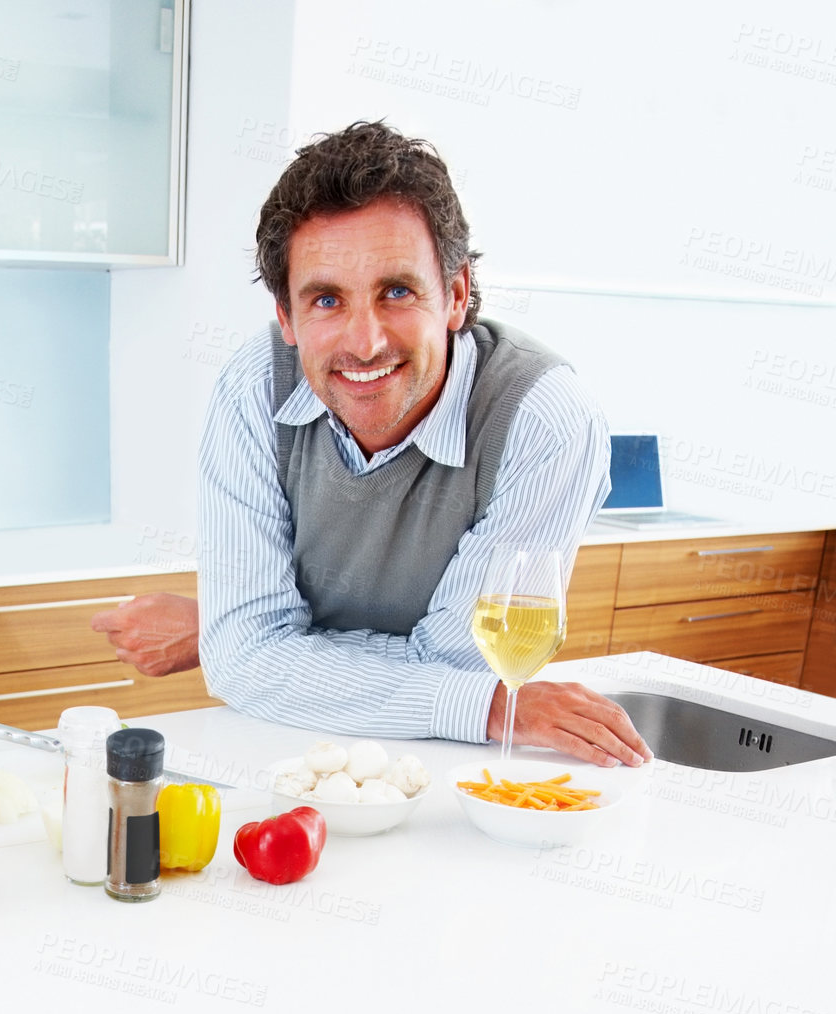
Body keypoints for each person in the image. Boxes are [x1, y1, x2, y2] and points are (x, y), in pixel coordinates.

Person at [96, 120, 647, 768]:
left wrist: (235, 639)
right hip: (289, 755)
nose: (364, 341)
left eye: (396, 291)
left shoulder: (543, 420)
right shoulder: (253, 388)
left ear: (457, 294)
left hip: (450, 761)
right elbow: (251, 660)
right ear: (287, 317)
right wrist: (238, 646)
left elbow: (454, 666)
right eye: (327, 299)